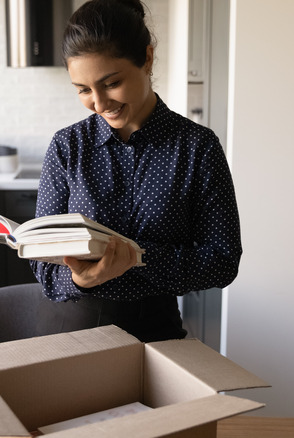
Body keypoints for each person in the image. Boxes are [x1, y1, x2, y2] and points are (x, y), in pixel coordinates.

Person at [31, 0, 241, 342]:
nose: (99, 103)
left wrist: (136, 259)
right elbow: (43, 265)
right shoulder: (67, 147)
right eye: (84, 90)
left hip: (158, 332)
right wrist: (82, 279)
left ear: (147, 58)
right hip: (72, 329)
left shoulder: (197, 147)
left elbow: (222, 259)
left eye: (111, 83)